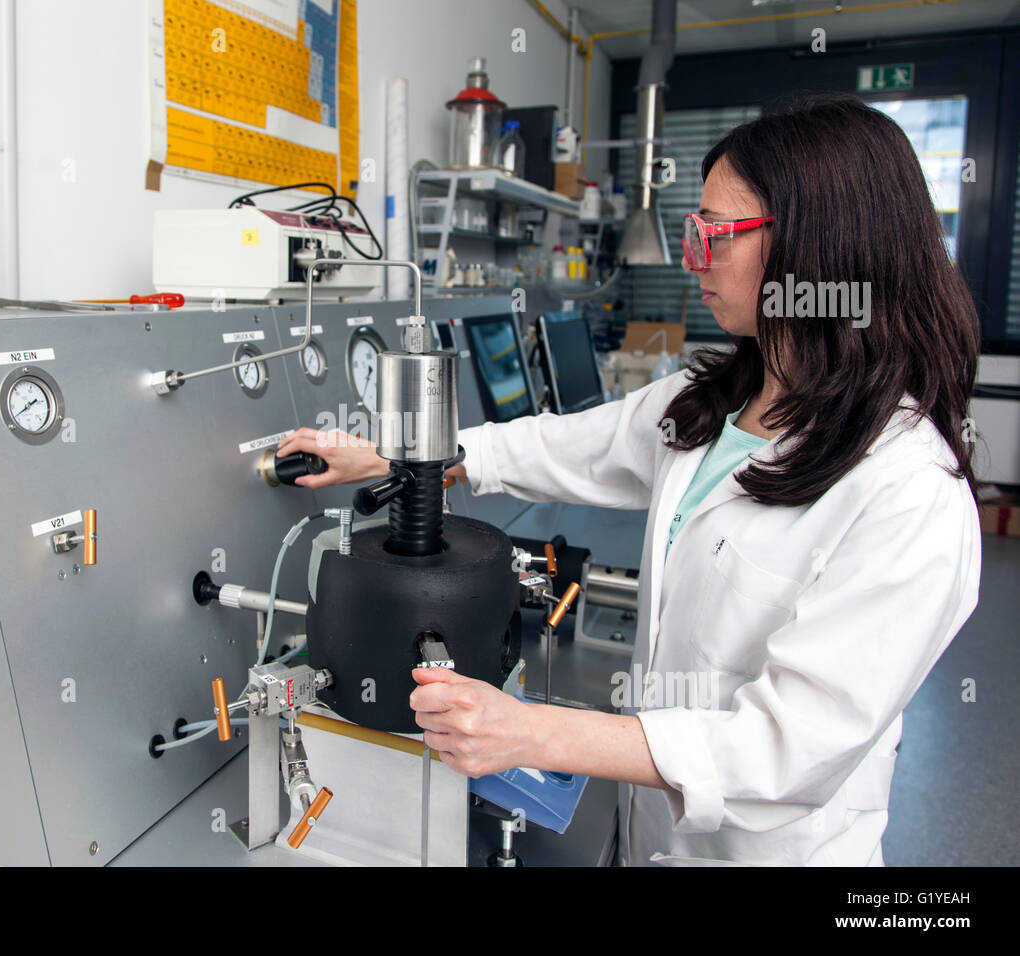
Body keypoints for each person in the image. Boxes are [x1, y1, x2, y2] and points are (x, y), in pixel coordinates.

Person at [275, 93, 981, 866]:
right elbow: (560, 446)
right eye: (692, 229)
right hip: (648, 831)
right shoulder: (713, 400)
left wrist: (530, 729)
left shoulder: (909, 493)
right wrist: (391, 458)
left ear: (817, 248)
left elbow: (786, 748)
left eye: (715, 232)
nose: (693, 256)